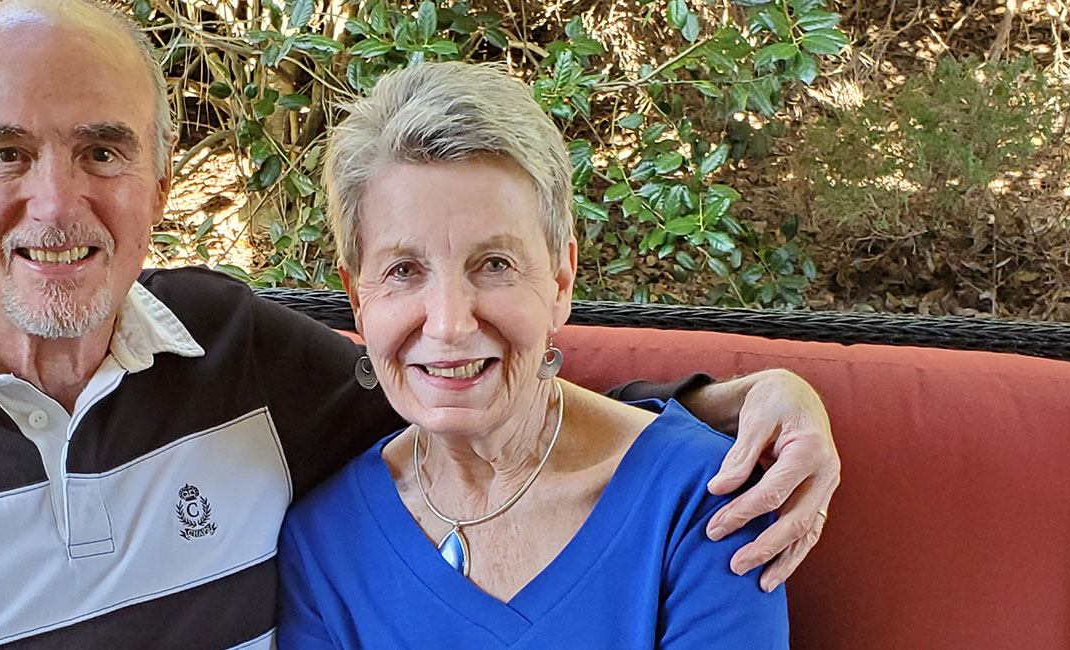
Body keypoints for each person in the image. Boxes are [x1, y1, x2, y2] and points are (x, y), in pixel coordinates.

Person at [0, 1, 838, 648]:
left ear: (159, 178)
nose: (57, 203)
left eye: (103, 149)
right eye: (8, 150)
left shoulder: (231, 353)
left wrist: (723, 408)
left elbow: (463, 395)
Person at [275, 62, 787, 649]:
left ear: (561, 281)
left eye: (494, 264)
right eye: (403, 271)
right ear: (356, 300)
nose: (448, 323)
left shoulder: (700, 499)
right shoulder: (326, 542)